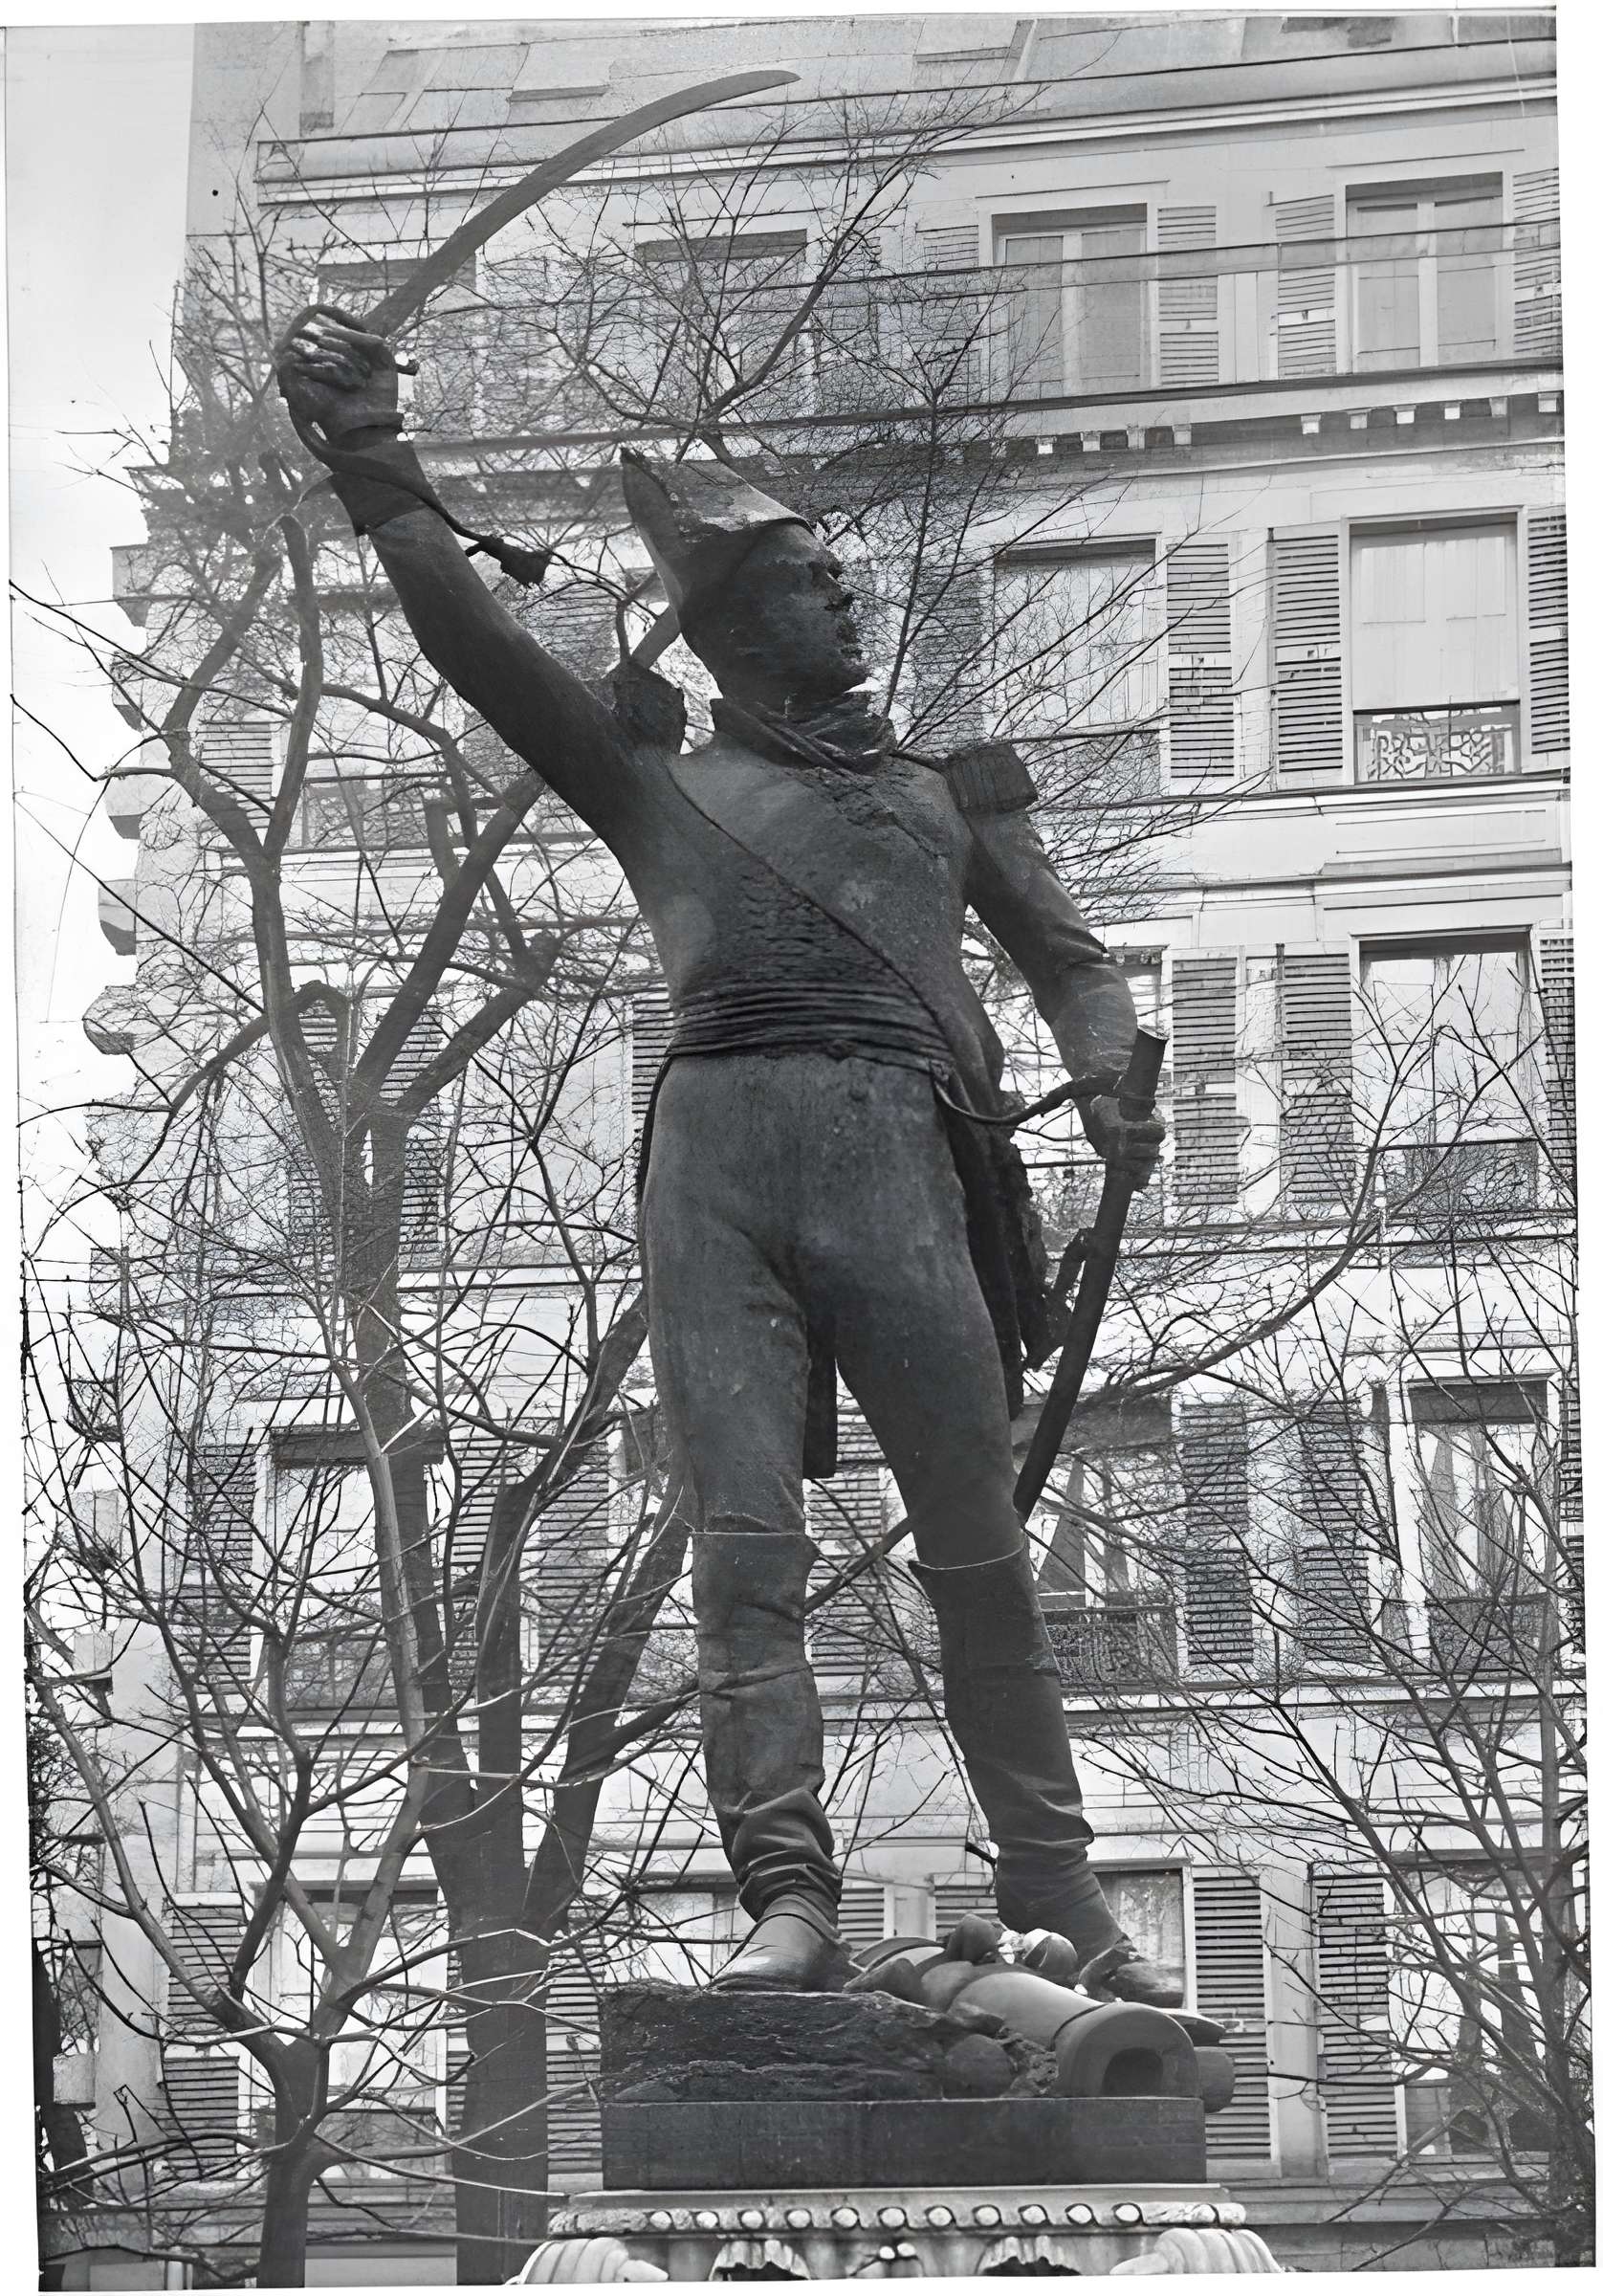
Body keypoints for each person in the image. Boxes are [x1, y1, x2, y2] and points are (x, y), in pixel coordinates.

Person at [274, 310, 1175, 2003]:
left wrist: (1111, 1067)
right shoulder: (649, 776)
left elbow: (1069, 956)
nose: (848, 603)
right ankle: (788, 1893)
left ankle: (1062, 1892)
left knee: (980, 1543)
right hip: (720, 1167)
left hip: (908, 1156)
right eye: (815, 582)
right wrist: (371, 459)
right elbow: (469, 630)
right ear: (740, 615)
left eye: (838, 579)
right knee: (740, 1545)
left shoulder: (944, 791)